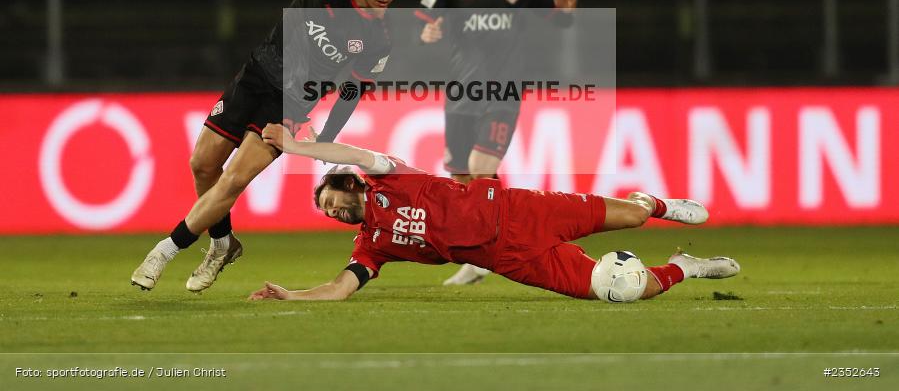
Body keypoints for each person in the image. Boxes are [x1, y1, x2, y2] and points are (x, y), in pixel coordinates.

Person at [131, 0, 404, 293]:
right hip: (258, 73)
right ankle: (223, 243)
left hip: (292, 102)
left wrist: (327, 136)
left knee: (235, 178)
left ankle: (165, 251)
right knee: (202, 165)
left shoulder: (380, 38)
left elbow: (352, 91)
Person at [248, 124, 740, 303]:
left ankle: (655, 203)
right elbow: (341, 287)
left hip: (523, 210)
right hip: (510, 259)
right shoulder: (372, 243)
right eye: (331, 215)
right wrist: (293, 296)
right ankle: (686, 266)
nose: (337, 213)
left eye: (335, 202)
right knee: (621, 289)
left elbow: (355, 153)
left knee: (632, 218)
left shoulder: (389, 175)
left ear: (349, 183)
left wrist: (296, 146)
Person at [416, 0, 578, 285]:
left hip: (503, 90)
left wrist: (566, 13)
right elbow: (424, 27)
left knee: (480, 168)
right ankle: (485, 250)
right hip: (460, 91)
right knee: (460, 182)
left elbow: (557, 21)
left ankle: (489, 253)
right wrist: (428, 33)